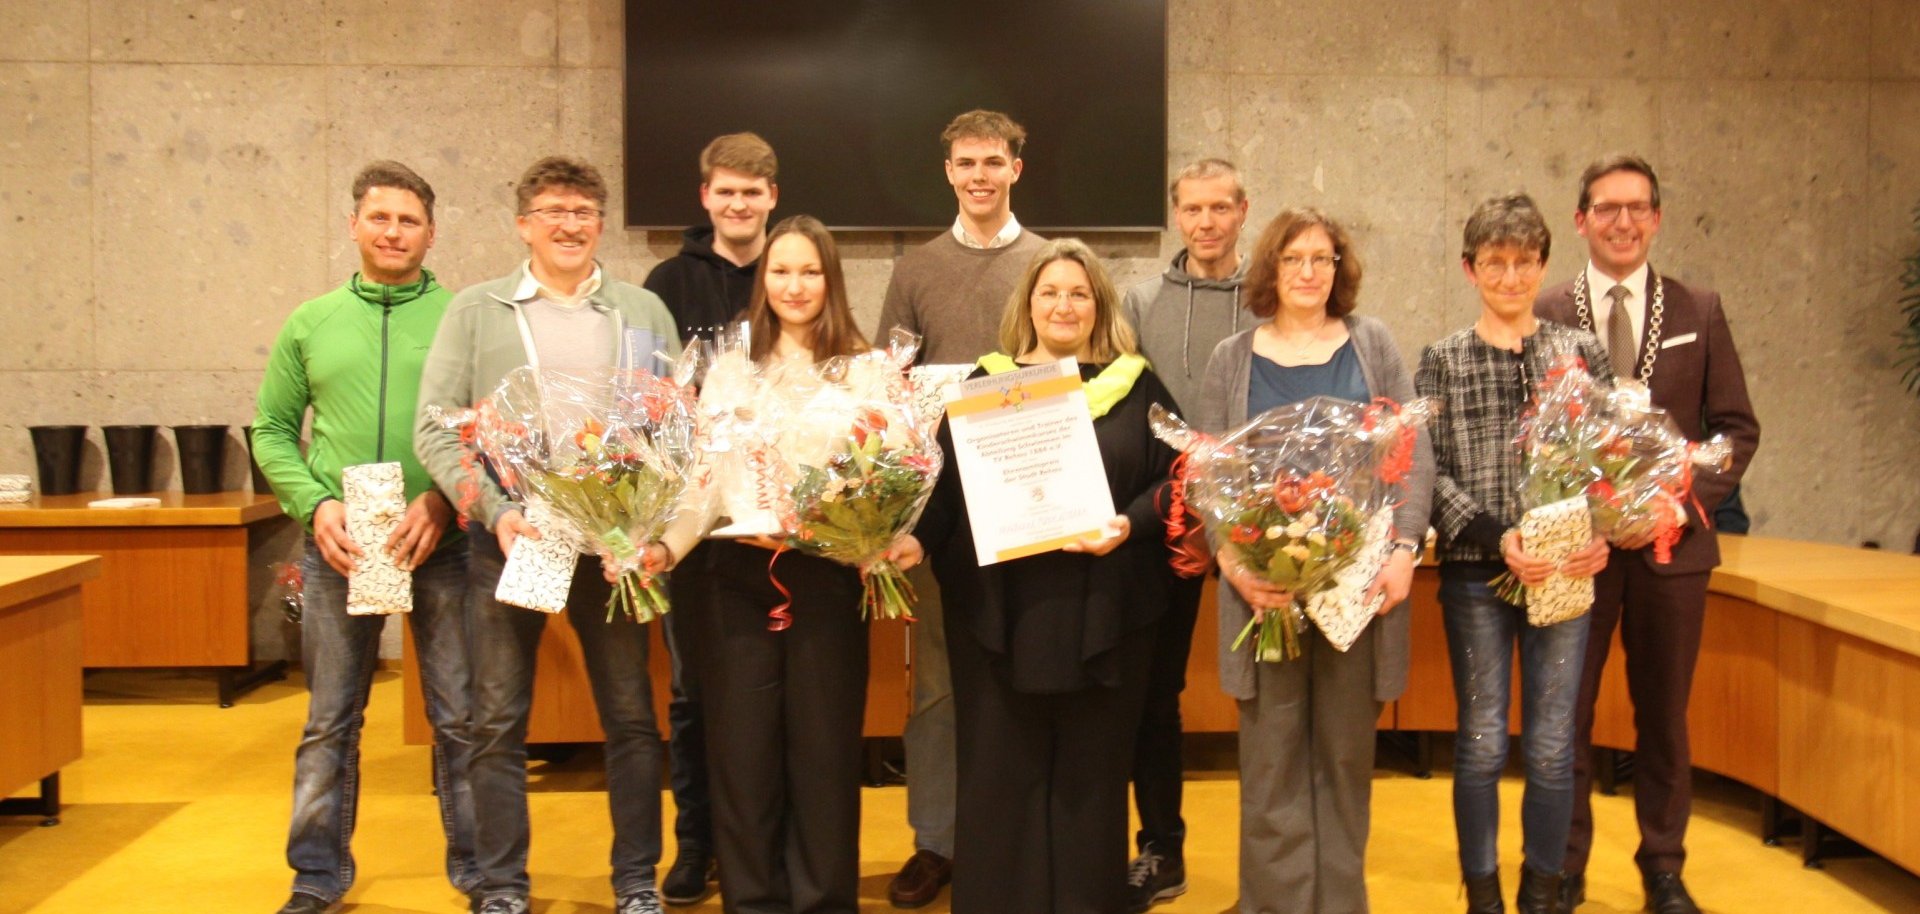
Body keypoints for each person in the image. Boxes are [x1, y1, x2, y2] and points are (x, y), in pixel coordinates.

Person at [414, 156, 682, 914]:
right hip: (512, 542)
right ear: (523, 224)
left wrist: (642, 518)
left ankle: (635, 881)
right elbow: (437, 428)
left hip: (613, 550)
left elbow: (677, 427)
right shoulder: (477, 309)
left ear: (601, 224)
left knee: (631, 717)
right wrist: (496, 511)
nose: (570, 225)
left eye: (585, 211)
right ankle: (501, 886)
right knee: (496, 719)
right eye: (555, 211)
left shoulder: (639, 313)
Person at [891, 238, 1180, 914]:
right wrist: (913, 542)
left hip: (1101, 607)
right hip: (1003, 610)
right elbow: (947, 489)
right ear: (1028, 303)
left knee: (1090, 774)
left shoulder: (1135, 383)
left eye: (1079, 293)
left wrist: (1129, 525)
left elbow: (1177, 478)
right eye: (1050, 291)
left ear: (1098, 306)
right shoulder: (991, 385)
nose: (1063, 304)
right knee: (999, 770)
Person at [1535, 156, 1760, 914]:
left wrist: (1676, 503)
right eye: (1607, 208)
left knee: (1663, 715)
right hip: (1580, 549)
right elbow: (1531, 436)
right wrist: (1577, 509)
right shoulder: (1548, 308)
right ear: (1581, 220)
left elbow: (1735, 430)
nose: (1623, 222)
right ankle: (1564, 867)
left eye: (1637, 208)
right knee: (1563, 714)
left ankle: (1663, 865)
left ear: (1657, 218)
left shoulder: (1699, 307)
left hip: (1672, 554)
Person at [1194, 208, 1433, 914]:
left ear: (1339, 268)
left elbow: (1411, 455)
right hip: (1263, 587)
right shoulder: (1231, 357)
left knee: (1343, 757)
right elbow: (1207, 475)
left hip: (1357, 591)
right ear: (1269, 268)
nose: (1307, 272)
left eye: (1322, 259)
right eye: (1293, 258)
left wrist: (1403, 551)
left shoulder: (1373, 344)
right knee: (1271, 763)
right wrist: (1233, 562)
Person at [256, 161, 476, 914]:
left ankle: (482, 873)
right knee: (330, 718)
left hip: (442, 543)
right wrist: (315, 505)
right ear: (353, 225)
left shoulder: (464, 317)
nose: (393, 232)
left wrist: (446, 500)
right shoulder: (310, 322)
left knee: (460, 717)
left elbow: (488, 429)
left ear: (432, 233)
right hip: (339, 549)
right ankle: (316, 874)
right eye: (379, 218)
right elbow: (273, 431)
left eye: (408, 220)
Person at [660, 214, 877, 914]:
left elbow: (889, 475)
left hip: (827, 579)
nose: (795, 285)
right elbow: (701, 480)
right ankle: (752, 899)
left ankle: (822, 901)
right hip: (736, 583)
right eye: (780, 271)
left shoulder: (866, 369)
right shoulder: (729, 370)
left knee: (824, 758)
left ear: (831, 280)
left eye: (810, 271)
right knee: (743, 759)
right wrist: (662, 545)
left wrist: (865, 534)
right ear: (763, 280)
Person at [1418, 192, 1614, 914]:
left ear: (1543, 265)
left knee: (1554, 744)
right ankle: (1484, 894)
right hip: (1476, 576)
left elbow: (1608, 459)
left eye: (1524, 262)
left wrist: (1600, 530)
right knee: (1479, 742)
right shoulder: (1442, 358)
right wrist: (1496, 534)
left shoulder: (1582, 353)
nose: (1510, 276)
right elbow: (1426, 473)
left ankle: (1542, 889)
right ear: (1470, 270)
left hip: (1563, 572)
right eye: (1495, 263)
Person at [872, 108, 1046, 909]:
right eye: (966, 163)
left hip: (1035, 506)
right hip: (944, 518)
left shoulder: (1050, 263)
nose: (979, 175)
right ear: (949, 172)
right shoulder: (915, 270)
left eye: (993, 162)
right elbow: (888, 396)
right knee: (937, 685)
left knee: (1028, 672)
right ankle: (937, 840)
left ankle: (1017, 834)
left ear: (1017, 167)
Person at [642, 131, 780, 907]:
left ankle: (759, 842)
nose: (739, 204)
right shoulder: (666, 281)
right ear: (705, 197)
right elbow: (648, 397)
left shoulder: (791, 270)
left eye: (752, 193)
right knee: (694, 688)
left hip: (777, 515)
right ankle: (696, 846)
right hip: (691, 519)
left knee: (770, 689)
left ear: (772, 198)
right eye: (726, 191)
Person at [1118, 157, 1251, 911]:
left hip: (1259, 527)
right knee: (1152, 693)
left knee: (1265, 693)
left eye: (1219, 208)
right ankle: (1161, 850)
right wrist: (1176, 513)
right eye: (1192, 210)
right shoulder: (1140, 300)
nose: (1205, 223)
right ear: (1177, 216)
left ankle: (1280, 857)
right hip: (1160, 529)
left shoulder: (1267, 300)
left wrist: (1232, 517)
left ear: (1241, 211)